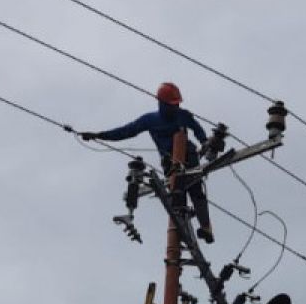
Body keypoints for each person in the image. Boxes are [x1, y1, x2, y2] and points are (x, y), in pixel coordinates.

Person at [81, 82, 215, 243]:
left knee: (196, 191)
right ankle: (181, 232)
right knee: (177, 196)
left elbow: (198, 129)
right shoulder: (150, 120)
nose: (176, 107)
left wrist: (205, 142)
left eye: (177, 103)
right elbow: (126, 131)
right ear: (162, 104)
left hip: (190, 155)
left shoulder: (183, 115)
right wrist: (99, 135)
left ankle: (206, 228)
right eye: (173, 104)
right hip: (170, 162)